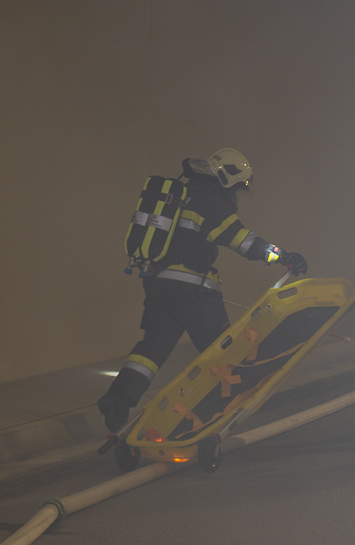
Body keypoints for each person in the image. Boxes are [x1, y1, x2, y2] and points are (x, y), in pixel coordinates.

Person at [98, 148, 307, 432]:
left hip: (159, 286)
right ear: (227, 178)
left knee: (152, 349)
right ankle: (222, 410)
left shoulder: (182, 196)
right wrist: (284, 256)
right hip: (194, 294)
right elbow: (243, 241)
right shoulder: (208, 201)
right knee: (224, 352)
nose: (235, 195)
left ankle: (118, 398)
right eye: (237, 187)